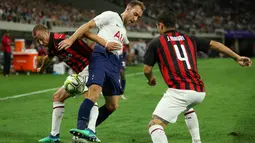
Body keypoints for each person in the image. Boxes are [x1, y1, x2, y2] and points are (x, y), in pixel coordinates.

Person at [143, 10, 252, 143]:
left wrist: (150, 79)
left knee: (154, 125)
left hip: (180, 91)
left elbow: (147, 69)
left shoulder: (156, 43)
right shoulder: (189, 38)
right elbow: (215, 44)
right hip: (199, 91)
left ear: (160, 25)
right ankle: (197, 141)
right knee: (187, 107)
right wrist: (237, 57)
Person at [58, 0, 145, 141]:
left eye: (138, 17)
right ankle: (80, 131)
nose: (135, 19)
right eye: (135, 14)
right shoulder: (111, 15)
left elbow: (121, 43)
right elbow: (87, 27)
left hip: (114, 63)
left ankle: (89, 130)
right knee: (94, 93)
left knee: (112, 105)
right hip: (101, 56)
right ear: (128, 8)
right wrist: (71, 40)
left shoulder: (123, 30)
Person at [32, 25, 120, 143]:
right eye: (38, 41)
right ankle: (54, 136)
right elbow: (49, 57)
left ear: (47, 32)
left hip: (90, 66)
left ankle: (91, 131)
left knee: (90, 97)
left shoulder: (62, 39)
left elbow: (84, 36)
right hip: (82, 71)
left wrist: (104, 45)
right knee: (57, 97)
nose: (41, 42)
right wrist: (42, 68)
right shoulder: (52, 45)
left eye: (41, 38)